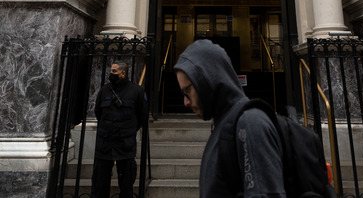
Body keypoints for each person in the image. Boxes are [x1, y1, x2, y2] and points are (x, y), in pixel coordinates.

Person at [173, 39, 285, 198]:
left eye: (188, 91)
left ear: (207, 79)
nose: (185, 102)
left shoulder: (250, 123)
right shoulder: (226, 124)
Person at [92, 62, 148, 198]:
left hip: (125, 144)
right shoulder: (105, 90)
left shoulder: (136, 91)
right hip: (105, 144)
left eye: (114, 71)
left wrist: (128, 129)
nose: (111, 74)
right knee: (100, 183)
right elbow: (98, 112)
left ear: (123, 73)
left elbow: (142, 116)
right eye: (111, 70)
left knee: (126, 184)